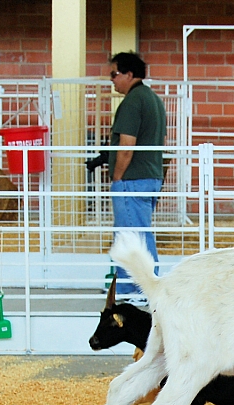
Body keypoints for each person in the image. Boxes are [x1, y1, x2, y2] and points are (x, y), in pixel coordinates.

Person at [86, 52, 167, 296]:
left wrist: (117, 177)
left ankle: (134, 290)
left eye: (114, 74)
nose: (112, 80)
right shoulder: (153, 99)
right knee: (138, 233)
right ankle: (132, 286)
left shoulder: (133, 102)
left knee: (131, 236)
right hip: (150, 176)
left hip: (132, 179)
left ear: (129, 74)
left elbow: (126, 146)